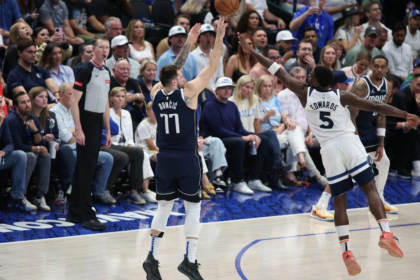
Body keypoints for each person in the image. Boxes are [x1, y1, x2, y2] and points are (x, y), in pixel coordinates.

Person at [239, 33, 414, 276]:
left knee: (339, 200)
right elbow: (376, 106)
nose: (307, 76)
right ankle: (385, 233)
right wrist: (406, 115)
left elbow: (277, 70)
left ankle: (346, 250)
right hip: (349, 143)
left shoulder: (304, 92)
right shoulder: (341, 95)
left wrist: (250, 50)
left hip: (329, 150)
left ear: (315, 81)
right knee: (370, 189)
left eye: (310, 75)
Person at [142, 21, 225, 280]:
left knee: (163, 208)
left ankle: (152, 258)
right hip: (187, 158)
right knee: (192, 209)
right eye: (180, 75)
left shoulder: (156, 92)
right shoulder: (188, 93)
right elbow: (212, 65)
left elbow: (171, 70)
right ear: (177, 80)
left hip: (164, 158)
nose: (184, 75)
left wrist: (190, 40)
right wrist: (219, 36)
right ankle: (189, 260)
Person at [66, 36, 112, 231]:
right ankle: (87, 214)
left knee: (84, 168)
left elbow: (105, 102)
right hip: (85, 121)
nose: (104, 50)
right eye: (101, 47)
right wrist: (78, 129)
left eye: (107, 47)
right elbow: (73, 102)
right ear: (93, 49)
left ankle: (74, 211)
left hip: (97, 123)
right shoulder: (85, 70)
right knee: (86, 170)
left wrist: (108, 130)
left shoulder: (107, 71)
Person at [278, 66, 332, 219]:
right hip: (290, 132)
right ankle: (317, 176)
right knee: (297, 141)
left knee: (328, 139)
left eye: (303, 77)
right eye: (298, 77)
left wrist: (311, 133)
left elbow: (312, 118)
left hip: (307, 133)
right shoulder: (283, 95)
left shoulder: (309, 94)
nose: (301, 80)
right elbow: (285, 119)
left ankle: (331, 173)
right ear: (291, 78)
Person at [349, 55, 399, 214]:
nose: (379, 69)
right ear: (371, 66)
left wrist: (381, 142)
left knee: (383, 161)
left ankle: (380, 199)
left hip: (367, 127)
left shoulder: (387, 85)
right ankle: (321, 205)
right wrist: (353, 135)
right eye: (376, 66)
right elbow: (350, 112)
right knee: (344, 171)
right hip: (351, 127)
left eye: (382, 67)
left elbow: (381, 114)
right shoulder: (361, 85)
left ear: (387, 68)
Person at [50, 83, 116, 205]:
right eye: (70, 95)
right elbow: (67, 138)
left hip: (81, 147)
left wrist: (75, 132)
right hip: (65, 150)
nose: (74, 98)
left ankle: (99, 192)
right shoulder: (54, 112)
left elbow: (87, 134)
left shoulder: (77, 110)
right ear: (61, 95)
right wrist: (76, 133)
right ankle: (75, 191)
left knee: (108, 158)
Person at [106, 87, 156, 203]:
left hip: (125, 145)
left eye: (123, 97)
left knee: (141, 154)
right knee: (137, 153)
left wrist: (130, 144)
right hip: (113, 144)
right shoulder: (108, 112)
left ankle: (137, 190)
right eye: (117, 96)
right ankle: (142, 190)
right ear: (111, 98)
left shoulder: (126, 113)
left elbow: (129, 136)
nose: (120, 99)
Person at [6, 91, 51, 212]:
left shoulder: (33, 119)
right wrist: (37, 149)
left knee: (45, 157)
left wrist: (35, 130)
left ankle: (39, 196)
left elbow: (41, 145)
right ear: (16, 106)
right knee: (30, 156)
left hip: (26, 153)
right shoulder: (10, 120)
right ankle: (20, 196)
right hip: (12, 155)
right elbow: (17, 146)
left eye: (28, 101)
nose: (27, 105)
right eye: (23, 102)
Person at [28, 86, 76, 194]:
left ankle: (69, 187)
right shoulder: (28, 117)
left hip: (51, 151)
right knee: (65, 154)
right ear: (32, 99)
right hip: (36, 152)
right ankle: (44, 193)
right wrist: (42, 138)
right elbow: (26, 137)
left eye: (46, 96)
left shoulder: (51, 115)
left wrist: (56, 142)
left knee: (66, 150)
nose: (45, 99)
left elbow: (57, 137)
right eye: (41, 97)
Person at [0, 101, 33, 212]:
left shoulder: (3, 119)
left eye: (1, 102)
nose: (1, 105)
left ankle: (16, 197)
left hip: (0, 159)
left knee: (20, 155)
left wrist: (3, 152)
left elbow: (10, 143)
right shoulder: (2, 120)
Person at [386, 73, 420, 179]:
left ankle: (400, 166)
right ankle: (412, 166)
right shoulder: (402, 96)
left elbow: (410, 120)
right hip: (388, 129)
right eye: (418, 85)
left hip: (399, 129)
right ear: (412, 83)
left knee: (415, 132)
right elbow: (405, 119)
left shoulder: (403, 98)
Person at [191, 23, 224, 92]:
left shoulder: (218, 56)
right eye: (205, 35)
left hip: (216, 92)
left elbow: (220, 77)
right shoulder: (192, 56)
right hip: (200, 91)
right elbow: (195, 79)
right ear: (199, 37)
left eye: (211, 35)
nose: (208, 38)